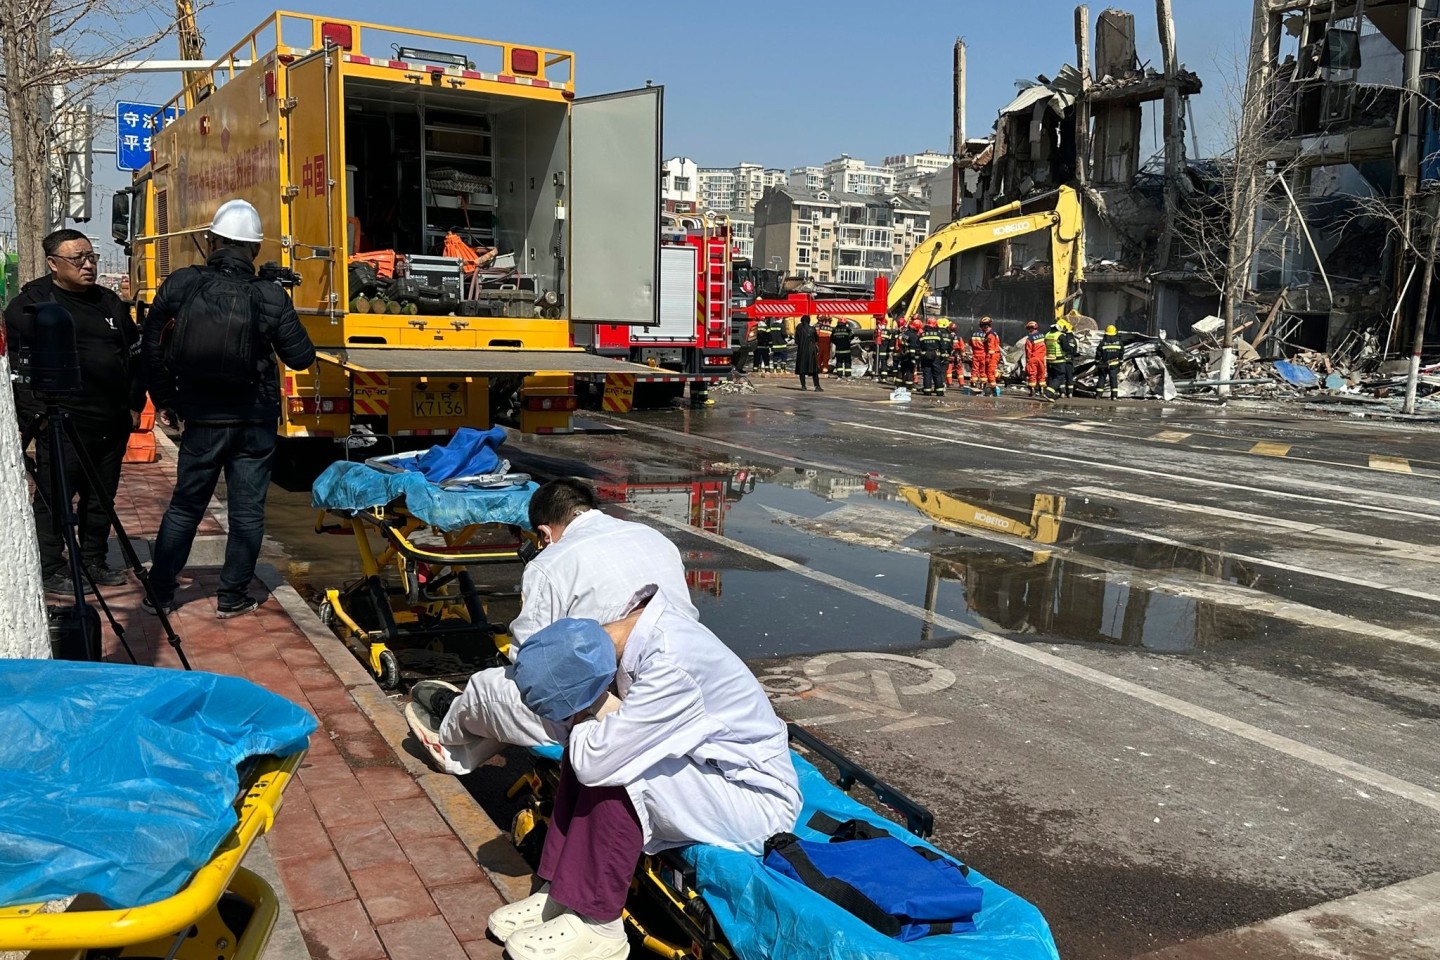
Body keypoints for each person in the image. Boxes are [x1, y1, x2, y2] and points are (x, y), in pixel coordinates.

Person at [489, 595, 802, 960]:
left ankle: (599, 925)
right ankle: (559, 890)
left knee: (613, 764)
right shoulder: (619, 633)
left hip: (754, 801)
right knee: (590, 747)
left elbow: (596, 761)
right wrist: (586, 714)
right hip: (711, 769)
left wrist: (585, 713)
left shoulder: (671, 664)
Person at [406, 478, 700, 773]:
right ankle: (463, 753)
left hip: (615, 706)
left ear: (544, 533)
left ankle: (449, 729)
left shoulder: (550, 562)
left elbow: (532, 667)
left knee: (493, 689)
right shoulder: (655, 538)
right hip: (685, 680)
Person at [142, 200, 316, 618]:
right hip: (254, 422)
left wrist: (167, 401)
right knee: (247, 512)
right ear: (254, 250)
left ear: (212, 240)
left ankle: (160, 594)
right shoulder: (268, 295)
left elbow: (150, 349)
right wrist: (276, 304)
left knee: (185, 507)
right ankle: (231, 596)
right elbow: (301, 357)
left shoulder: (182, 284)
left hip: (201, 419)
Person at [5, 229, 147, 593]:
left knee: (101, 497)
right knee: (55, 498)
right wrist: (35, 419)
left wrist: (133, 404)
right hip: (60, 423)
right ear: (53, 264)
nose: (88, 265)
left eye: (91, 257)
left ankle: (93, 560)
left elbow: (134, 356)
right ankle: (51, 567)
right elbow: (18, 373)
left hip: (109, 421)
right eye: (77, 259)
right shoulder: (31, 307)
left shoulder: (109, 303)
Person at [794, 315, 822, 391]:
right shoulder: (812, 329)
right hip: (811, 351)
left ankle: (803, 386)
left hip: (802, 351)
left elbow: (796, 341)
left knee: (801, 369)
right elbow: (817, 339)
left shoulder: (798, 329)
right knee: (814, 369)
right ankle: (817, 386)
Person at [917, 316, 944, 396]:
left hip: (925, 356)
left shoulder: (922, 334)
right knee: (937, 373)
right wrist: (942, 357)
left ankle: (927, 390)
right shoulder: (938, 334)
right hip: (936, 356)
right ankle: (939, 391)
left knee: (927, 373)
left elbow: (918, 346)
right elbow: (942, 346)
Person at [1023, 320, 1050, 399]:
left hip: (1033, 358)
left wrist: (1028, 360)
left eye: (1028, 329)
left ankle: (1032, 391)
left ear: (1031, 329)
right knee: (1042, 373)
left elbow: (1028, 350)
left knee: (1032, 374)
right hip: (1042, 358)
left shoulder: (1029, 338)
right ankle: (1041, 390)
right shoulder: (1042, 336)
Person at [1100, 324, 1124, 400]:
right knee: (1113, 380)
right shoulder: (1119, 342)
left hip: (1104, 363)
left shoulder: (1103, 342)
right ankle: (1114, 396)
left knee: (1102, 379)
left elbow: (1098, 352)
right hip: (1114, 364)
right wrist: (1120, 361)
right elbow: (1121, 353)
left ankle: (1098, 395)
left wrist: (1097, 361)